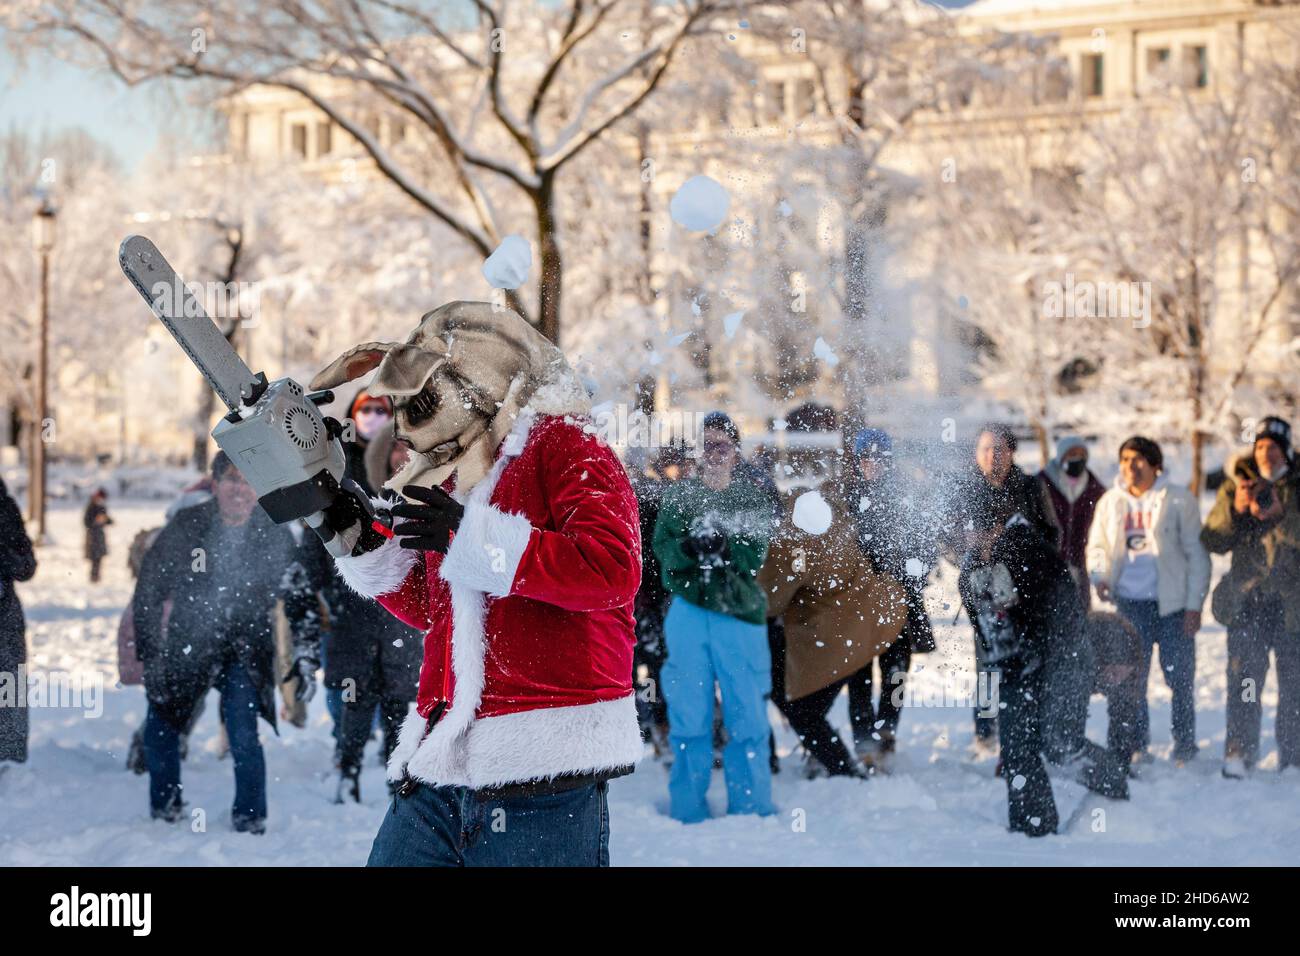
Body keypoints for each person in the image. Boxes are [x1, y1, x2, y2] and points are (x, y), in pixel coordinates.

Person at [310, 301, 643, 867]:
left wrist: (473, 534)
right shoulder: (459, 469)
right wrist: (356, 536)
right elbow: (432, 605)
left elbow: (612, 569)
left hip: (544, 772)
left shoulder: (564, 444)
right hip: (441, 764)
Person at [133, 452, 322, 833]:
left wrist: (304, 657)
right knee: (161, 727)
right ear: (215, 484)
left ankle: (250, 818)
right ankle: (165, 809)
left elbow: (300, 598)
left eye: (248, 480)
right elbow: (149, 591)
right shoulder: (187, 526)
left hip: (245, 649)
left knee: (243, 732)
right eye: (232, 479)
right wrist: (151, 654)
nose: (240, 489)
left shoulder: (273, 531)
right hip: (190, 644)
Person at [653, 411, 776, 823]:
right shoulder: (678, 496)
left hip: (738, 614)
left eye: (722, 445)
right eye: (707, 445)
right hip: (689, 611)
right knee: (689, 715)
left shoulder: (752, 497)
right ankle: (688, 809)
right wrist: (689, 549)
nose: (714, 453)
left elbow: (756, 552)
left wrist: (726, 549)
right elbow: (661, 551)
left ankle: (753, 806)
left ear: (735, 452)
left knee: (748, 715)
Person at [759, 464, 907, 777]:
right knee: (824, 697)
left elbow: (771, 600)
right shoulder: (834, 520)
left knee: (801, 710)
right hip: (876, 617)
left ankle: (843, 771)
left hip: (839, 632)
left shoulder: (794, 542)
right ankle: (851, 753)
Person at [303, 424, 422, 803]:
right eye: (396, 449)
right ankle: (348, 771)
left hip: (401, 621)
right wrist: (329, 596)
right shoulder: (359, 492)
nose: (402, 457)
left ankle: (395, 775)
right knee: (356, 701)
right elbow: (320, 547)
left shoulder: (421, 499)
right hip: (354, 615)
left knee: (397, 703)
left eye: (409, 450)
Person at [1087, 436, 1210, 765]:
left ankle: (1185, 744)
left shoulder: (1178, 499)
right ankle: (1137, 744)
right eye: (1125, 459)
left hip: (1173, 605)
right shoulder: (1111, 501)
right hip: (1129, 603)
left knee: (1179, 677)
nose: (1131, 466)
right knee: (1132, 680)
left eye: (1138, 459)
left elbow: (1197, 556)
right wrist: (1099, 577)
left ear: (1156, 465)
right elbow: (1097, 546)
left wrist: (1195, 605)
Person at [1201, 416, 1300, 777]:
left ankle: (1294, 757)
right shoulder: (1238, 485)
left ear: (1286, 450)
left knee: (1294, 686)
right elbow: (1212, 540)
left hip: (1293, 604)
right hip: (1247, 602)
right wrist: (1235, 510)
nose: (1265, 454)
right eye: (1259, 446)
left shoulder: (1295, 486)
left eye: (1273, 447)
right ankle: (1240, 750)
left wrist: (1281, 516)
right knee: (1244, 681)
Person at [949, 423, 1056, 748]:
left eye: (998, 449)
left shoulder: (1031, 488)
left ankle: (1026, 726)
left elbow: (1051, 534)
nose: (992, 456)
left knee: (1029, 657)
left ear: (1011, 452)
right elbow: (949, 541)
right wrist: (973, 546)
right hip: (982, 591)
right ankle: (985, 732)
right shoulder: (966, 491)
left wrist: (1014, 543)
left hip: (1026, 589)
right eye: (985, 449)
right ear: (976, 454)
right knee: (987, 659)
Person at [959, 513, 1064, 836]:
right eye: (971, 532)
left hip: (1031, 664)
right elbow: (983, 622)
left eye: (984, 529)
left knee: (1025, 747)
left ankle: (1037, 822)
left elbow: (1030, 611)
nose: (977, 537)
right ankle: (1027, 819)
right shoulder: (969, 571)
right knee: (1016, 747)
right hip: (1005, 666)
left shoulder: (1020, 557)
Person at [841, 428, 938, 770]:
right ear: (857, 461)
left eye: (879, 457)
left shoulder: (906, 495)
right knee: (858, 674)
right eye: (866, 457)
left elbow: (926, 548)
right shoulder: (846, 497)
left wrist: (910, 573)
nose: (873, 464)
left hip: (899, 600)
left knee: (896, 671)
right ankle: (863, 737)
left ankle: (888, 731)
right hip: (858, 602)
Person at [630, 443, 690, 758]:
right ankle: (650, 724)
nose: (679, 472)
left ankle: (658, 724)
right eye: (674, 466)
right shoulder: (651, 497)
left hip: (667, 595)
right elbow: (646, 552)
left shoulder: (685, 498)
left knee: (657, 665)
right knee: (647, 665)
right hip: (647, 595)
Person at [1038, 436, 1105, 608]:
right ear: (1061, 457)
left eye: (1081, 454)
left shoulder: (1094, 488)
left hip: (1080, 560)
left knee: (1080, 610)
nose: (1077, 459)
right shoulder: (1041, 483)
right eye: (1072, 454)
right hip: (1048, 561)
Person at [0, 478, 37, 768]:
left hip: (4, 617)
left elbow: (26, 567)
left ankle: (10, 762)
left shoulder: (4, 507)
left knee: (9, 687)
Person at [83, 488, 112, 583]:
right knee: (94, 558)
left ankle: (97, 577)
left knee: (99, 558)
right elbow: (86, 522)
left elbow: (109, 520)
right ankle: (93, 577)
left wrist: (106, 520)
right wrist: (95, 521)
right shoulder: (91, 507)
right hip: (92, 536)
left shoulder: (102, 507)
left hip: (100, 536)